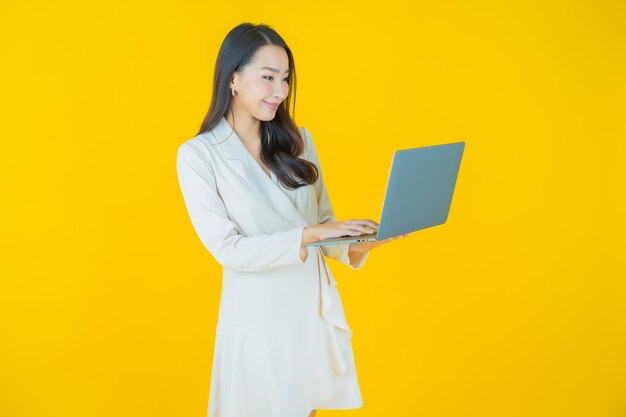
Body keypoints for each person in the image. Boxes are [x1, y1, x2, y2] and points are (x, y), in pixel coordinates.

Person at [176, 22, 411, 417]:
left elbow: (323, 225)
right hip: (257, 318)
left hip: (308, 311)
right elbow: (227, 248)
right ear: (233, 78)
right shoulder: (199, 155)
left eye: (285, 79)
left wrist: (361, 241)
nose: (280, 91)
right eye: (267, 77)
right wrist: (311, 233)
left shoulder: (299, 140)